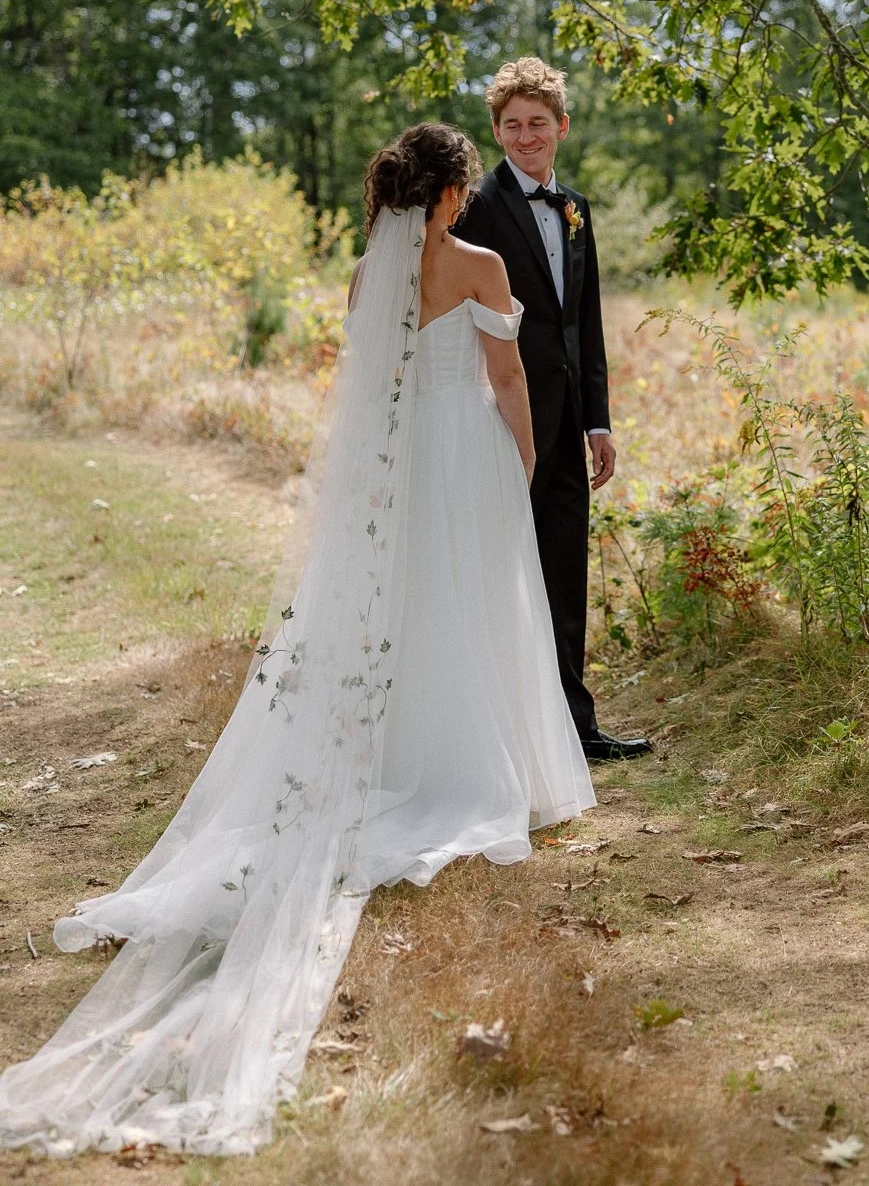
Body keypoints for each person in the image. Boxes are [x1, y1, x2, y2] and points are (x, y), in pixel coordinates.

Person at [0, 122, 594, 1157]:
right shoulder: (482, 262)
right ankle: (473, 768)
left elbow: (366, 400)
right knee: (475, 609)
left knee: (405, 617)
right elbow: (506, 382)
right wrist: (529, 460)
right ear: (453, 193)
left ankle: (399, 752)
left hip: (393, 478)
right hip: (465, 467)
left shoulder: (371, 277)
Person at [455, 57, 651, 763]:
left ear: (561, 127)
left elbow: (584, 325)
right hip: (497, 417)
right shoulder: (474, 207)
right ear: (497, 132)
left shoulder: (576, 211)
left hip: (567, 423)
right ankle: (503, 734)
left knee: (565, 570)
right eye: (512, 125)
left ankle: (576, 727)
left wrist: (598, 420)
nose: (526, 136)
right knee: (499, 569)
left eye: (538, 123)